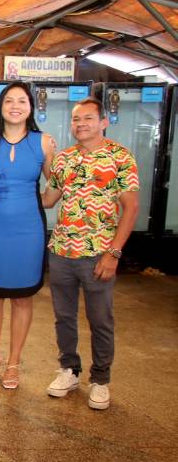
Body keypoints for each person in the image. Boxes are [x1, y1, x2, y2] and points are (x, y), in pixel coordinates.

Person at [42, 97, 139, 410]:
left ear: (103, 121)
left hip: (98, 254)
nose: (80, 124)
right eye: (75, 120)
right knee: (64, 317)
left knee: (100, 319)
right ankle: (69, 370)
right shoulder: (65, 158)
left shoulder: (120, 157)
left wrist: (114, 254)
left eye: (87, 119)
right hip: (61, 252)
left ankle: (100, 379)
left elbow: (131, 207)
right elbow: (49, 199)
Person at [0, 81, 55, 390]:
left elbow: (56, 182)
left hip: (28, 230)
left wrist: (41, 202)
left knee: (22, 299)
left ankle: (14, 362)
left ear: (30, 107)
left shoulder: (44, 142)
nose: (15, 105)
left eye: (22, 100)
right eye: (9, 100)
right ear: (1, 106)